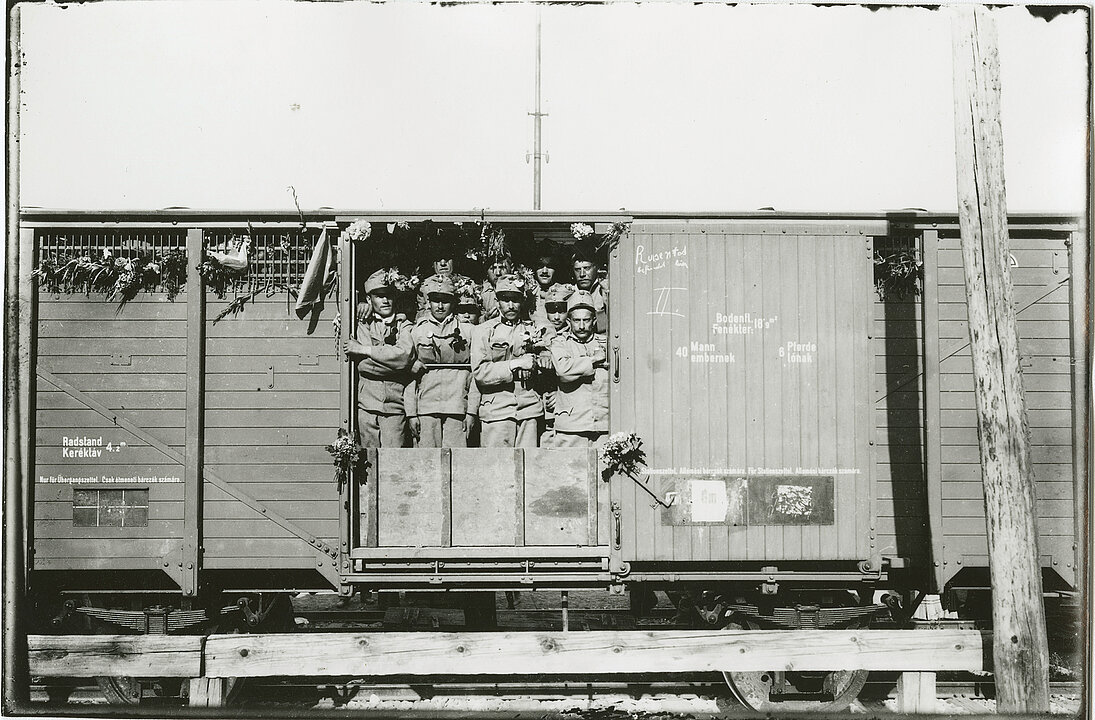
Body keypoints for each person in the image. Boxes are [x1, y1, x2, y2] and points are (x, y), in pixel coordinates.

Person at [471, 274, 553, 448]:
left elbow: (548, 358)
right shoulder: (484, 331)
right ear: (497, 300)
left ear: (522, 300)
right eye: (505, 299)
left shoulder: (534, 328)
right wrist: (515, 364)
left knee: (528, 467)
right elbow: (480, 372)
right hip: (497, 411)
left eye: (515, 299)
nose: (510, 305)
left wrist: (544, 357)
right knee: (497, 469)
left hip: (529, 409)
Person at [344, 269, 414, 448]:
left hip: (395, 406)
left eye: (389, 295)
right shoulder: (362, 324)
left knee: (393, 463)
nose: (385, 300)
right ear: (369, 299)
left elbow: (404, 357)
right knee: (369, 462)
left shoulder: (404, 325)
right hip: (367, 405)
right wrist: (392, 361)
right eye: (378, 296)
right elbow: (364, 366)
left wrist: (364, 350)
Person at [406, 276, 477, 448]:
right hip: (426, 407)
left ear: (453, 303)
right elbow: (408, 375)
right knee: (426, 462)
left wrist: (472, 411)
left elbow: (476, 374)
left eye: (445, 301)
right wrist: (411, 413)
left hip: (458, 405)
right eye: (435, 301)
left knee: (458, 462)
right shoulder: (416, 331)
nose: (439, 306)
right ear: (428, 303)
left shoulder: (469, 331)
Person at [547, 290, 609, 447]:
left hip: (602, 424)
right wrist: (593, 360)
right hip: (571, 426)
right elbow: (563, 370)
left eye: (586, 320)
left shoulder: (606, 343)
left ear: (594, 321)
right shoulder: (560, 343)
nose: (581, 326)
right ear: (568, 322)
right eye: (576, 320)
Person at [537, 283, 575, 447]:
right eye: (552, 310)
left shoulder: (575, 336)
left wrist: (560, 395)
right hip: (541, 408)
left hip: (568, 408)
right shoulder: (535, 333)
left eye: (562, 310)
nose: (557, 316)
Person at [417, 252, 473, 317]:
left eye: (447, 259)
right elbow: (420, 314)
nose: (443, 264)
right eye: (438, 260)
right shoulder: (424, 286)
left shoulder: (468, 284)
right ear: (433, 264)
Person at [571, 249, 609, 333]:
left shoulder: (605, 289)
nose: (582, 274)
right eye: (577, 269)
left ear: (597, 268)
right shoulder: (569, 292)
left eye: (586, 268)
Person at [530, 248, 563, 326]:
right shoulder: (528, 292)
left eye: (549, 266)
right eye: (540, 266)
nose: (544, 271)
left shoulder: (564, 292)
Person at [479, 256, 512, 322]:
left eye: (502, 267)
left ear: (511, 268)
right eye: (493, 268)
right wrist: (485, 318)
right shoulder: (481, 292)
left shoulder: (522, 289)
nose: (498, 273)